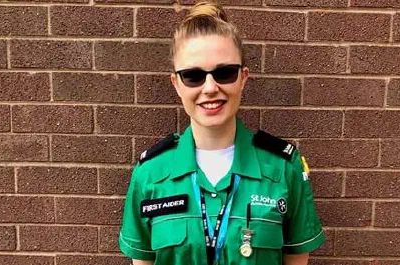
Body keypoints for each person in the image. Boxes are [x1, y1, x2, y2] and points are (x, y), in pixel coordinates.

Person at [117, 1, 324, 264]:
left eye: (224, 73)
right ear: (177, 84)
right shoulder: (150, 174)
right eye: (193, 76)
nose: (210, 88)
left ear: (243, 78)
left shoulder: (284, 168)